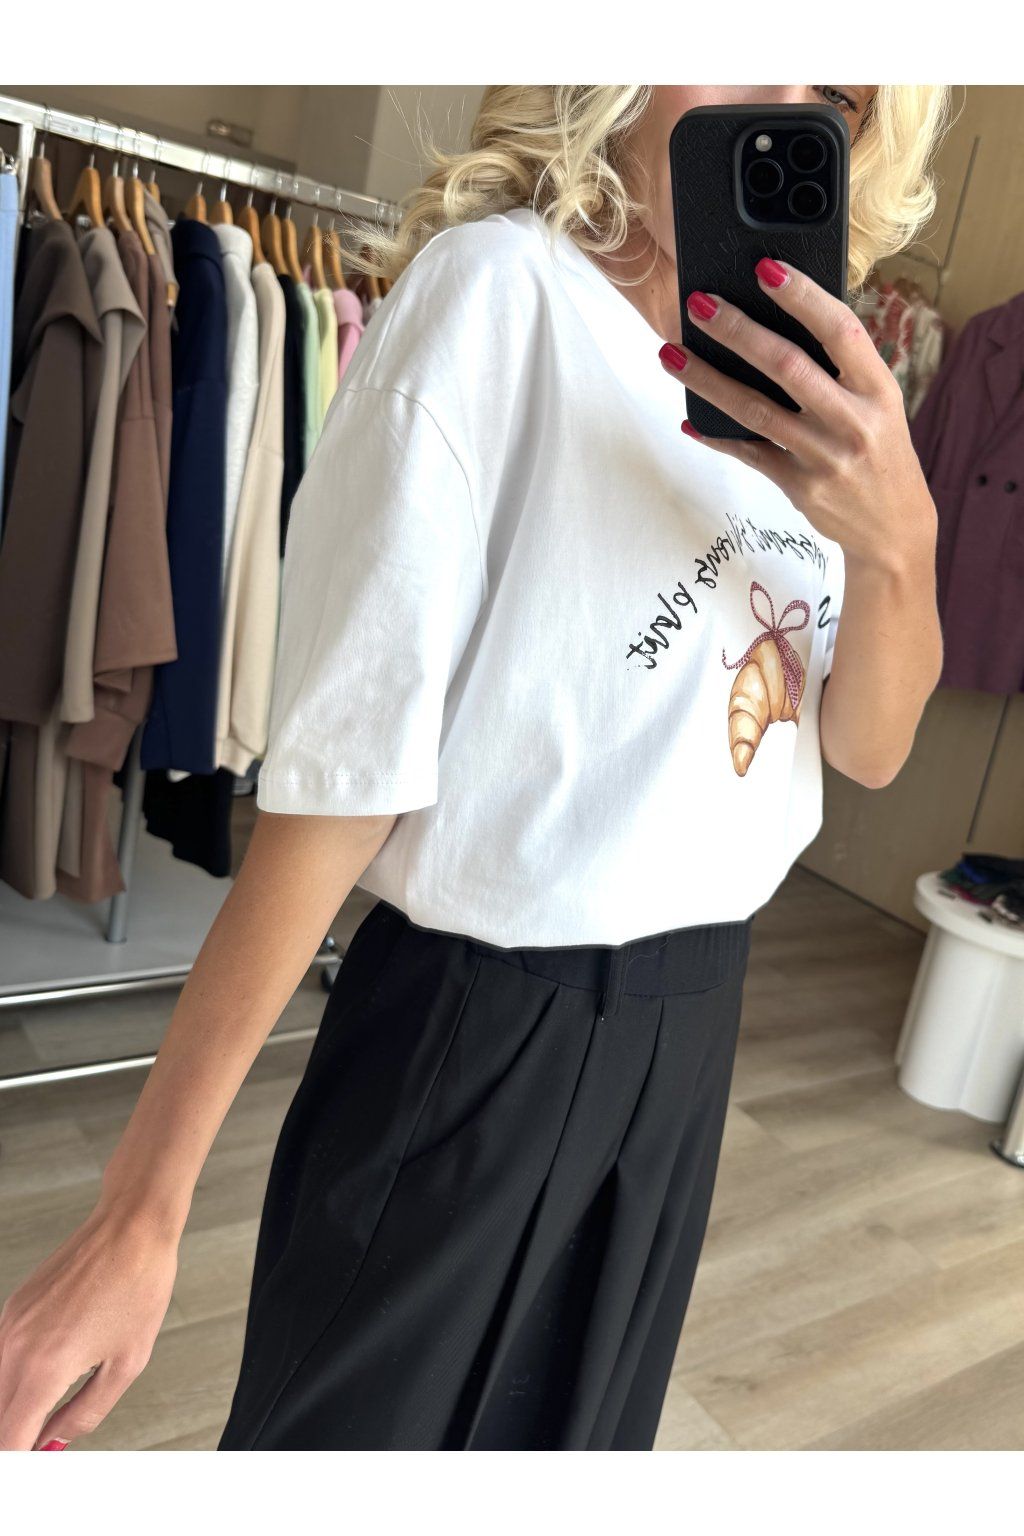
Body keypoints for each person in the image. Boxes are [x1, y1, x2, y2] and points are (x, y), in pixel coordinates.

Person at [0, 84, 949, 1453]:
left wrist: (900, 545)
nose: (777, 105)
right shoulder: (498, 297)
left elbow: (867, 745)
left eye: (834, 93)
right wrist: (139, 1211)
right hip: (478, 1041)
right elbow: (345, 785)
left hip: (692, 1039)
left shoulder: (822, 389)